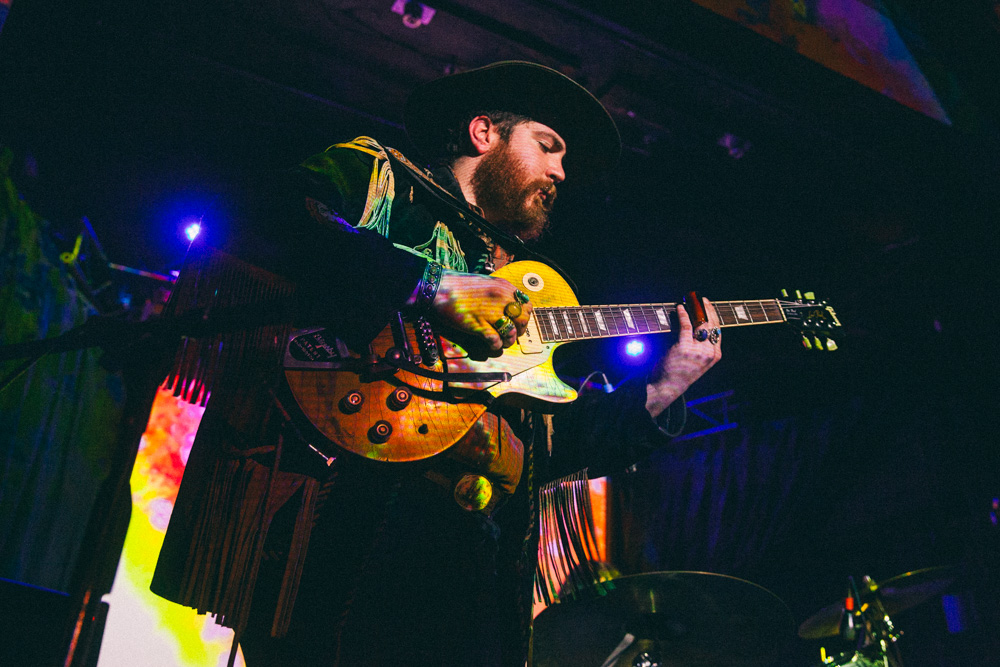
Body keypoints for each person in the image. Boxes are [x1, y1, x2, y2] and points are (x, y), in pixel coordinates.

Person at [150, 61, 722, 666]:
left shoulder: (519, 282)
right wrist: (428, 285)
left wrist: (666, 385)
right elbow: (266, 216)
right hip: (347, 533)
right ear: (484, 134)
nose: (560, 171)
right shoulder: (381, 179)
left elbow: (549, 448)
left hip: (474, 578)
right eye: (547, 146)